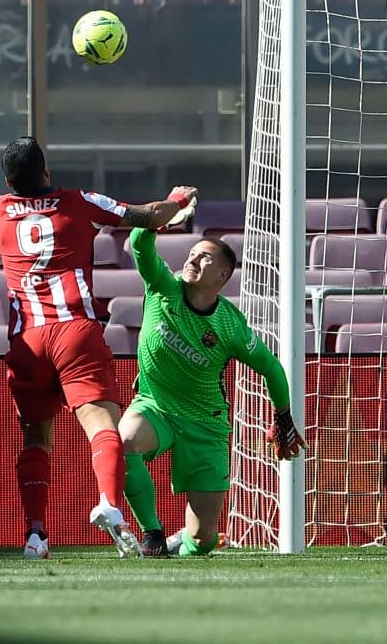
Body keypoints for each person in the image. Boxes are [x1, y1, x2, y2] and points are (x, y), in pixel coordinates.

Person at [0, 136, 197, 560]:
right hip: (75, 331)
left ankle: (36, 535)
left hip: (27, 342)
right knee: (102, 429)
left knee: (36, 438)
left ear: (7, 179)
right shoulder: (77, 200)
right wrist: (177, 198)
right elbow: (147, 216)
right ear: (47, 172)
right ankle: (110, 505)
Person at [120, 229, 304, 557]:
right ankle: (153, 535)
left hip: (206, 424)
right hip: (155, 406)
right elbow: (138, 242)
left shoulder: (230, 326)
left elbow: (272, 368)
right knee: (125, 440)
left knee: (203, 538)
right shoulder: (164, 287)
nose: (192, 258)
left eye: (204, 256)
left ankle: (183, 544)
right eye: (192, 252)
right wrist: (161, 214)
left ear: (222, 274)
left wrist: (283, 414)